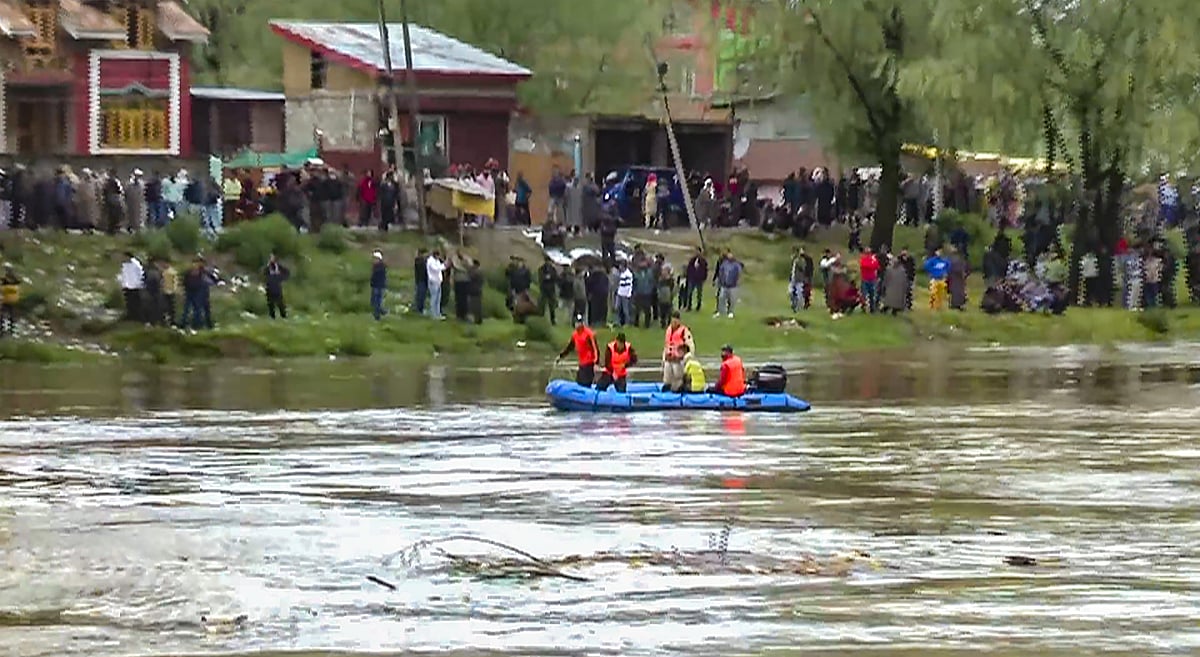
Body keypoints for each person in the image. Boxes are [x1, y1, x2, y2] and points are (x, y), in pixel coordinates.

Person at [557, 314, 599, 386]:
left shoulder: (589, 334)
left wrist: (596, 362)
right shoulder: (575, 335)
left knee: (586, 383)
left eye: (579, 322)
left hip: (589, 363)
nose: (578, 324)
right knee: (579, 383)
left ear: (582, 323)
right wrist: (561, 356)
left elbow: (596, 349)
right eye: (576, 323)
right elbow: (569, 348)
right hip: (581, 363)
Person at [661, 310, 695, 392]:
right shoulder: (668, 330)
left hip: (679, 360)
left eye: (676, 320)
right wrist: (663, 357)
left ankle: (678, 389)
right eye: (673, 320)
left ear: (679, 320)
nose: (674, 322)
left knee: (678, 378)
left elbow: (691, 346)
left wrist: (688, 357)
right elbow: (666, 345)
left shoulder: (684, 331)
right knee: (667, 379)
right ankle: (667, 390)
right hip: (668, 358)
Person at [118, 251, 144, 322]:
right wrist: (123, 284)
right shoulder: (125, 265)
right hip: (127, 286)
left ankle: (137, 317)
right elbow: (124, 275)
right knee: (129, 302)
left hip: (135, 286)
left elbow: (140, 274)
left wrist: (140, 284)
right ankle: (130, 315)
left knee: (136, 303)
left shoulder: (136, 264)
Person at [264, 253, 290, 319]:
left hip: (277, 287)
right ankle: (272, 317)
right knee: (270, 303)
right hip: (270, 287)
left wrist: (281, 278)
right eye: (269, 258)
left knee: (280, 302)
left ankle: (284, 316)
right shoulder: (267, 268)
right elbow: (263, 275)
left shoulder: (279, 267)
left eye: (272, 258)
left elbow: (287, 273)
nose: (271, 259)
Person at [537, 255, 559, 325]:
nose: (548, 262)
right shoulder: (541, 269)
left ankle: (553, 320)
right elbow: (540, 278)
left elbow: (556, 278)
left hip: (551, 290)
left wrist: (550, 277)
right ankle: (541, 319)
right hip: (544, 289)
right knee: (542, 305)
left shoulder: (553, 269)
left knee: (552, 306)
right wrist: (546, 278)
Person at [426, 250, 447, 320]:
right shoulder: (430, 261)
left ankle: (438, 313)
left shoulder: (437, 261)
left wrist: (444, 266)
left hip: (438, 281)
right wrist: (444, 265)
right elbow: (435, 269)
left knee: (438, 299)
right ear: (435, 255)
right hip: (433, 281)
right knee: (434, 298)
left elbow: (440, 267)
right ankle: (433, 314)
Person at [1, 265, 19, 337]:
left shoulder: (12, 280)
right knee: (6, 317)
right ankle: (6, 331)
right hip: (7, 301)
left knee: (9, 317)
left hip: (10, 302)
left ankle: (10, 331)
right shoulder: (6, 280)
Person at [370, 250, 388, 320]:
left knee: (377, 301)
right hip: (376, 285)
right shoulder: (377, 266)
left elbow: (376, 276)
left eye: (375, 258)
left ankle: (377, 315)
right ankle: (381, 311)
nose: (374, 260)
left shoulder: (380, 267)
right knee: (376, 302)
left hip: (378, 286)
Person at [412, 248, 428, 315]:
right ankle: (419, 309)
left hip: (421, 280)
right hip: (421, 280)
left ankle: (419, 308)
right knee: (420, 295)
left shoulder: (421, 261)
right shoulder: (419, 261)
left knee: (421, 295)